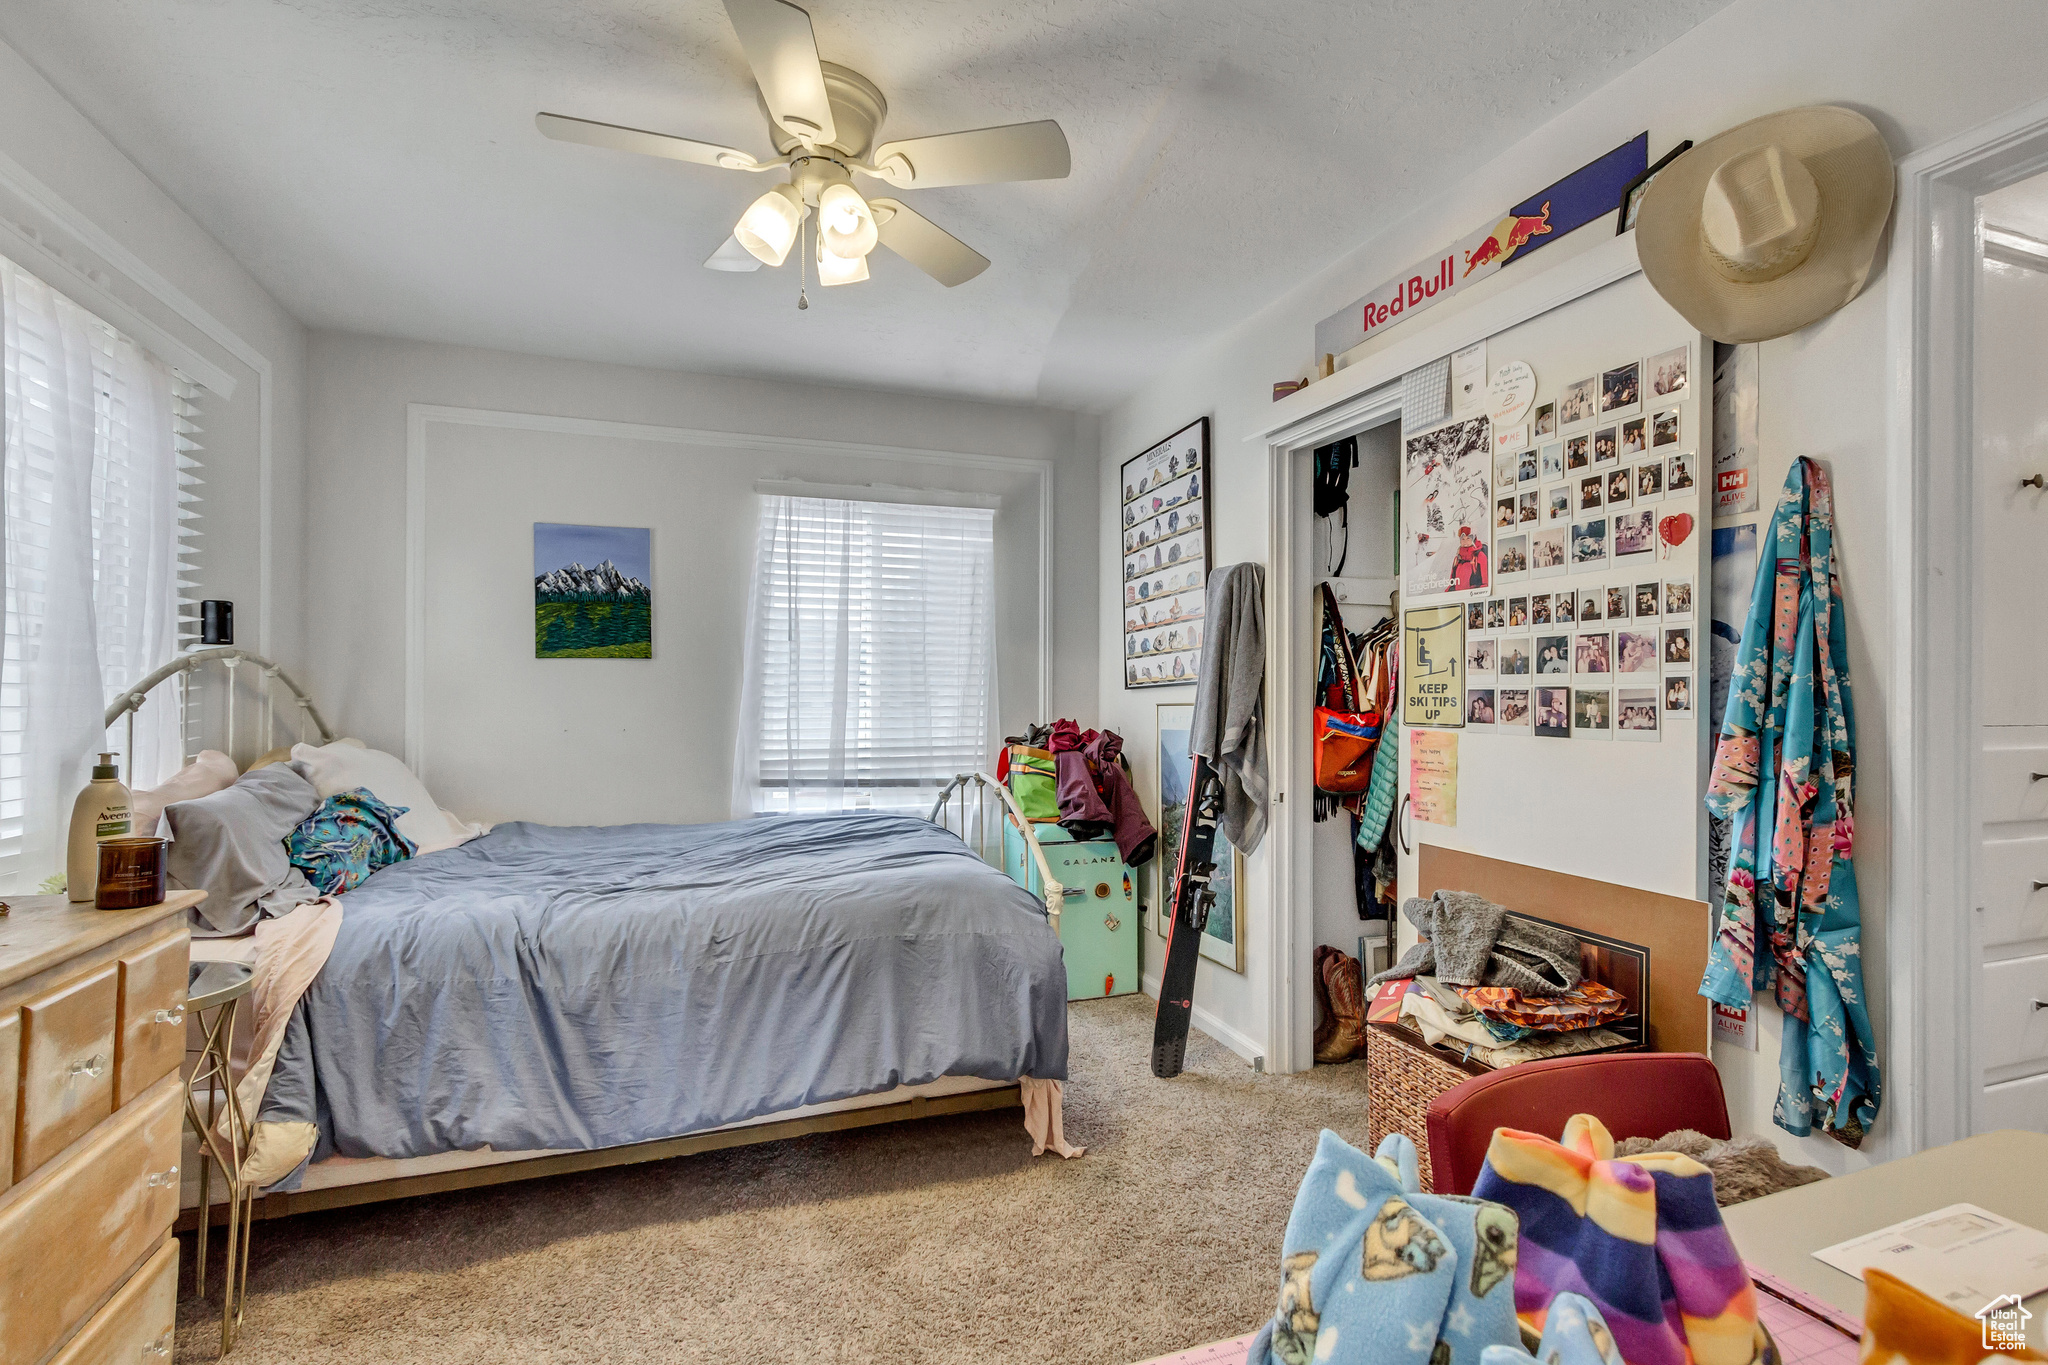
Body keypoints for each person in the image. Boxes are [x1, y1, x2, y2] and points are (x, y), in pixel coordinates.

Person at [1451, 525, 1488, 591]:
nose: (1465, 542)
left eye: (1468, 538)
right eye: (1463, 539)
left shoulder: (1480, 556)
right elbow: (1452, 581)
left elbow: (1485, 583)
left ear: (1472, 540)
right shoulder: (1457, 559)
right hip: (1459, 594)